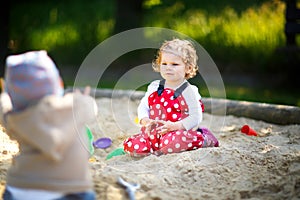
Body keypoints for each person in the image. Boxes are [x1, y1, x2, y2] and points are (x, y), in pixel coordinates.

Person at [0, 50, 98, 200]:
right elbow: (92, 107)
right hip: (71, 191)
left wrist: (8, 96)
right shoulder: (76, 106)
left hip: (20, 189)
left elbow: (3, 106)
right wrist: (82, 97)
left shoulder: (15, 118)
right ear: (59, 83)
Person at [123, 38, 219, 157]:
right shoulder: (154, 86)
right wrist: (145, 120)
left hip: (176, 132)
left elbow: (196, 116)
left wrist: (176, 126)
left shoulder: (189, 91)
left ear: (188, 68)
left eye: (174, 64)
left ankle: (203, 139)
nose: (168, 67)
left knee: (173, 142)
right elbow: (143, 106)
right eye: (164, 63)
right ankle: (154, 148)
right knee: (133, 146)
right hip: (154, 135)